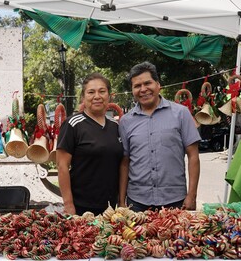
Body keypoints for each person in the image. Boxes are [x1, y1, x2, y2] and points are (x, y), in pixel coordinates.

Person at [118, 62, 201, 212]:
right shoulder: (125, 121)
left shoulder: (181, 113)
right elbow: (125, 162)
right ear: (132, 90)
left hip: (175, 201)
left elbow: (193, 156)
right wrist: (121, 201)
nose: (143, 89)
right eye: (137, 86)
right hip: (137, 202)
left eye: (147, 83)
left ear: (158, 85)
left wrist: (192, 195)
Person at [56, 73, 123, 215]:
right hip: (82, 208)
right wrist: (68, 204)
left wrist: (121, 202)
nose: (97, 96)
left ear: (109, 96)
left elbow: (122, 163)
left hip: (112, 209)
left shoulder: (115, 127)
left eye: (102, 91)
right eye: (91, 92)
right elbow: (62, 166)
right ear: (83, 97)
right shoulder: (72, 125)